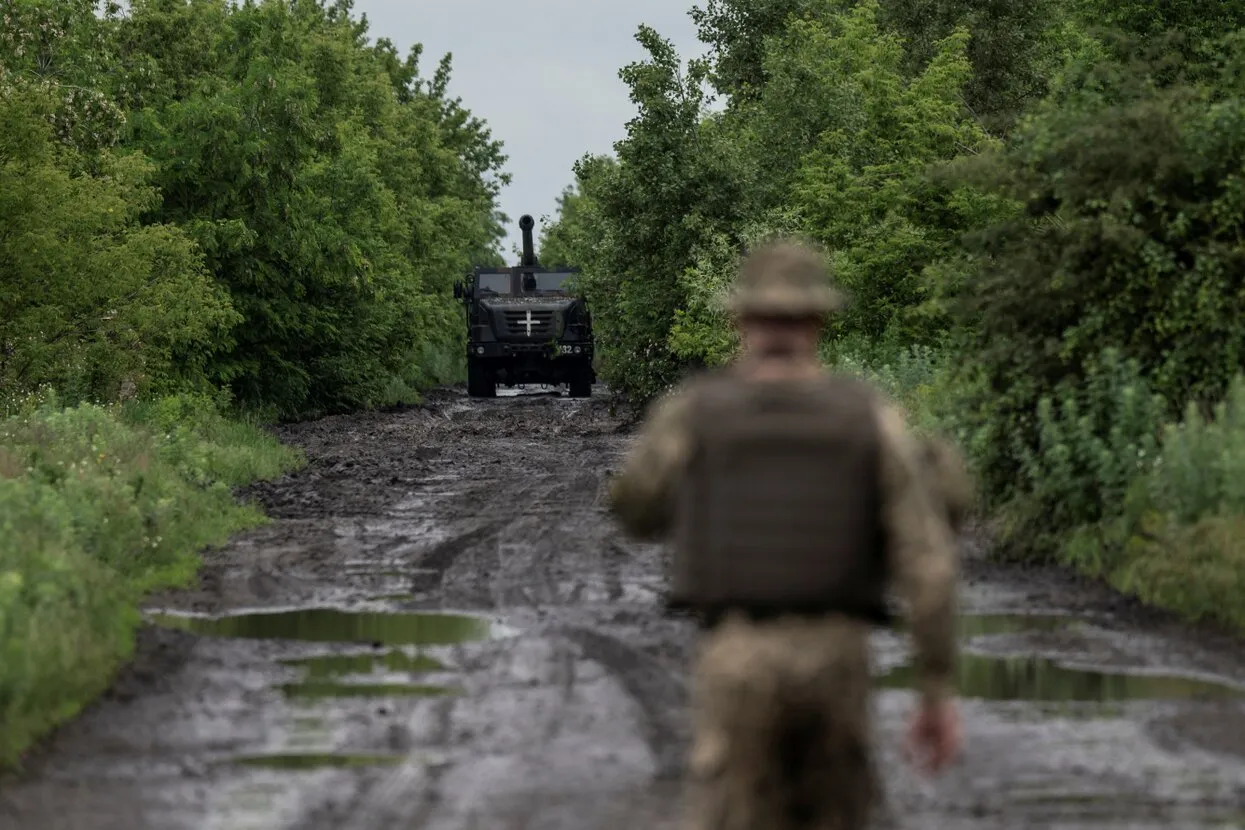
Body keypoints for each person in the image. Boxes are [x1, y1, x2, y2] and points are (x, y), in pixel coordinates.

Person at [608, 239, 962, 830]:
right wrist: (936, 688)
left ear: (741, 318)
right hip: (838, 653)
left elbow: (636, 509)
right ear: (819, 320)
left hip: (737, 653)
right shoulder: (867, 415)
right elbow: (927, 560)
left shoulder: (695, 412)